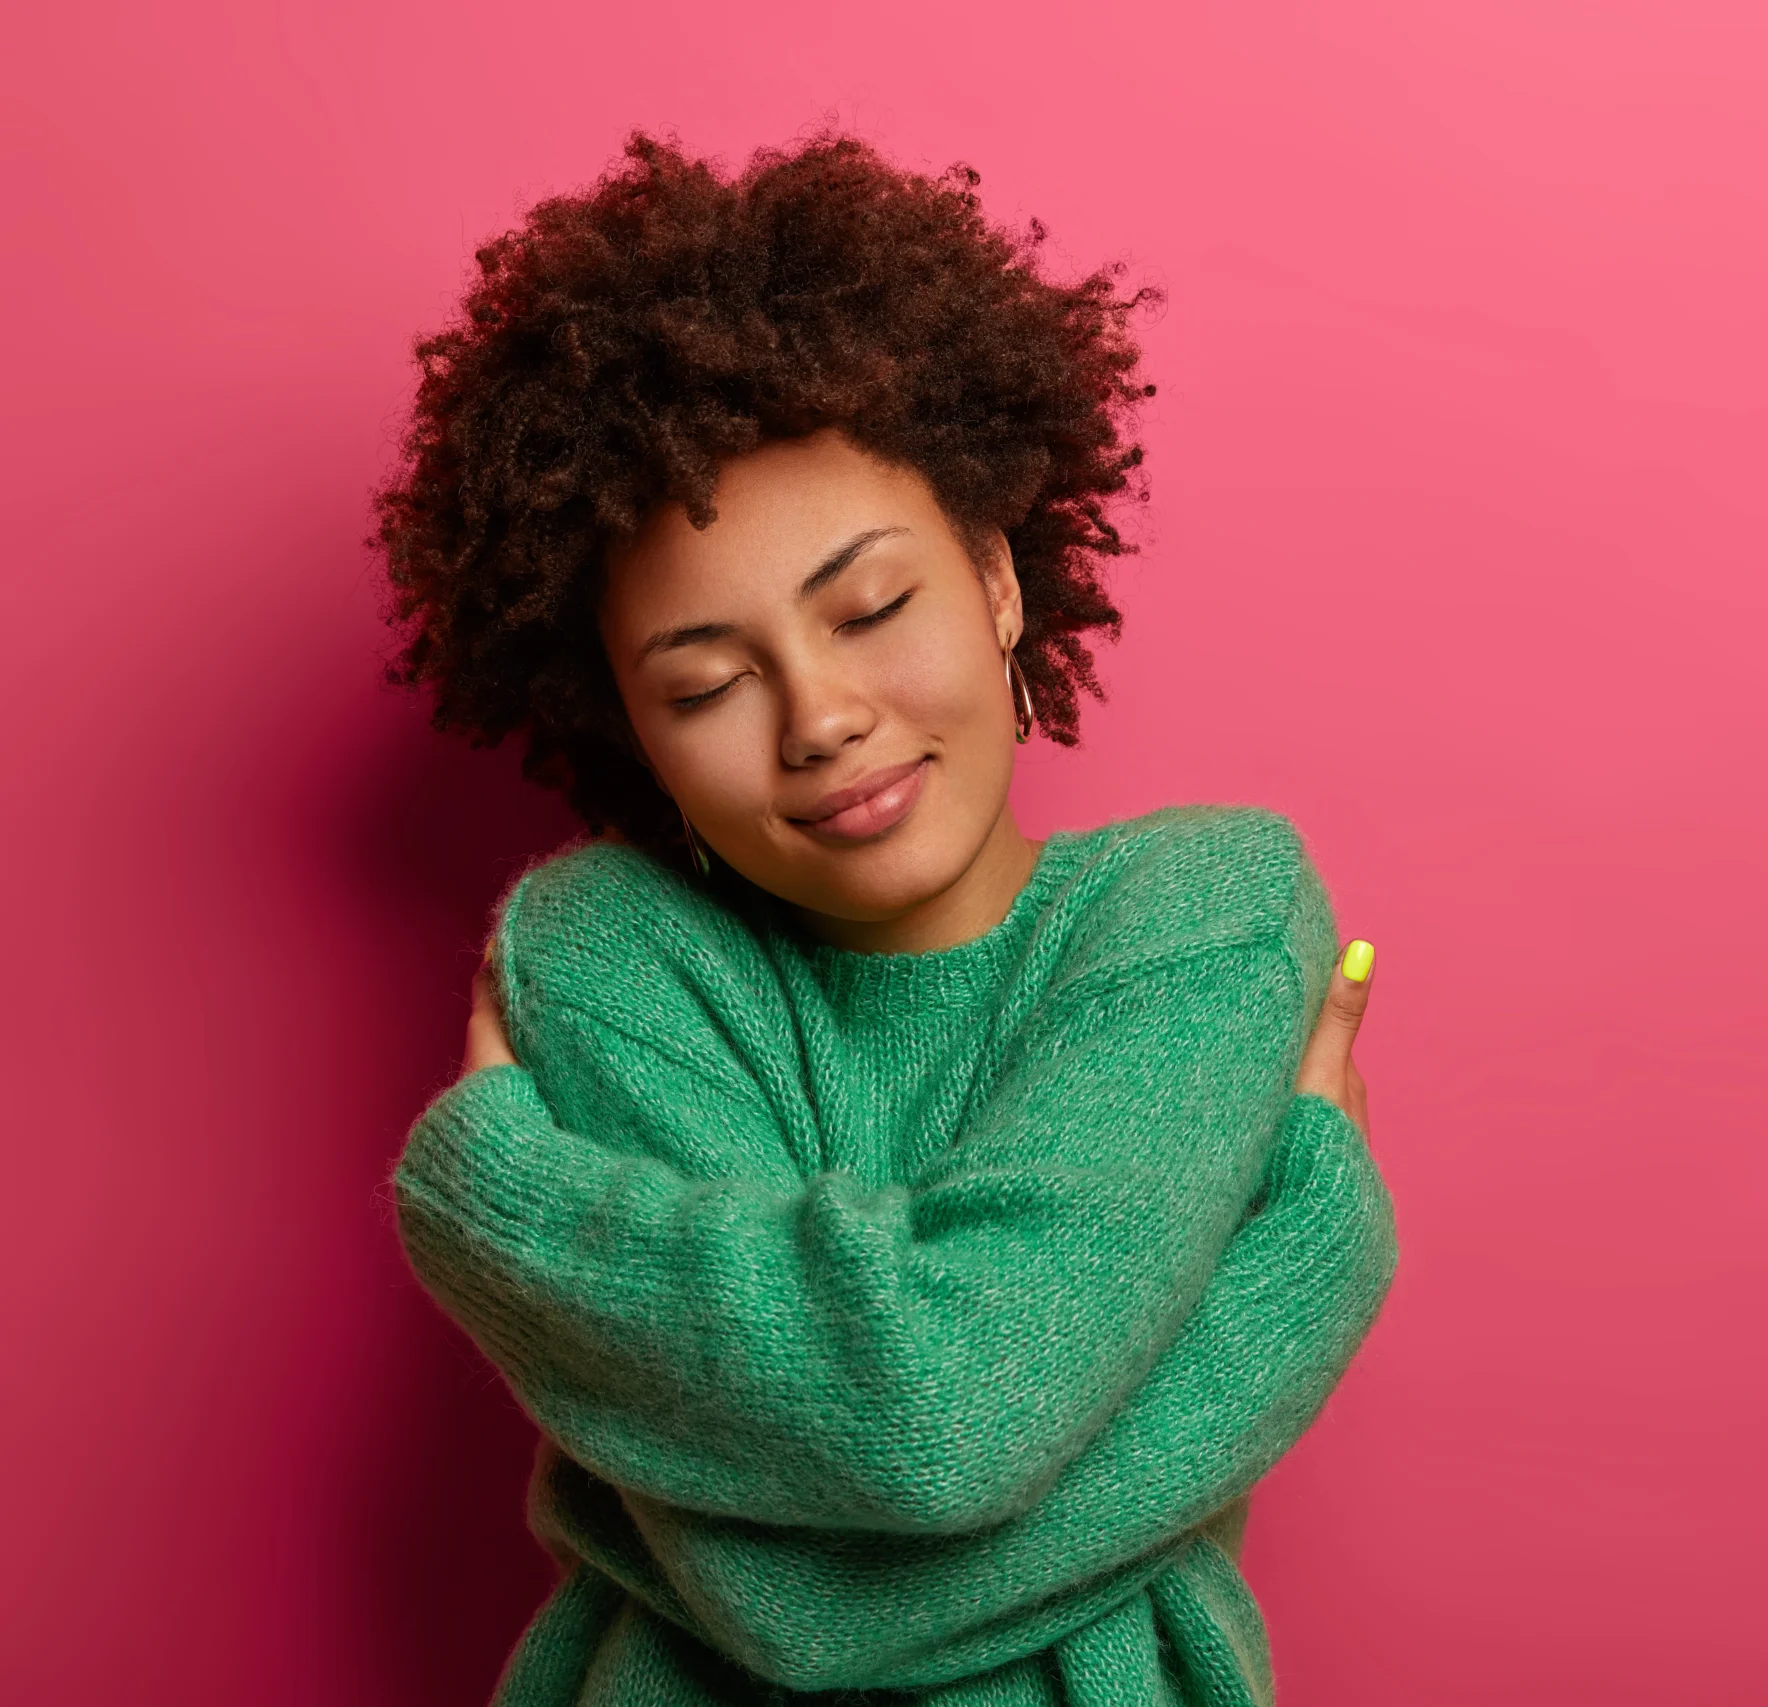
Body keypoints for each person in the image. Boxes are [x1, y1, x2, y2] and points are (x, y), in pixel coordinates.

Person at [376, 131, 1399, 1706]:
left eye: (870, 609)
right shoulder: (609, 955)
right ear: (625, 726)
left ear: (995, 575)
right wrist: (1297, 1279)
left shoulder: (1200, 915)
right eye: (707, 683)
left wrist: (524, 1219)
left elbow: (910, 1456)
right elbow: (824, 1578)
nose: (820, 717)